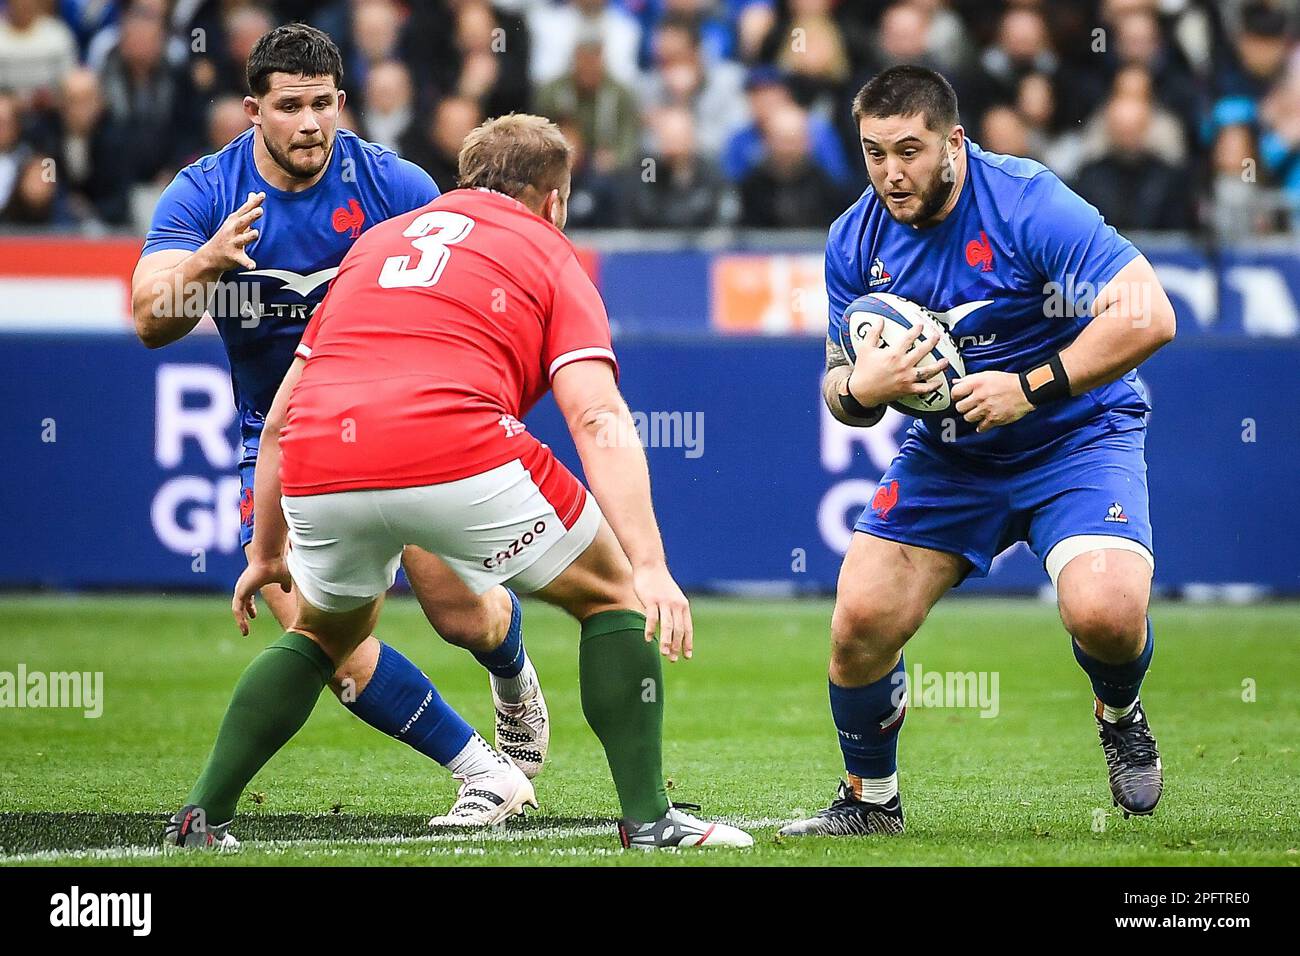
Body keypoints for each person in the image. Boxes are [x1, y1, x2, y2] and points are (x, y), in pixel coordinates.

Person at [198, 113, 753, 850]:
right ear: (555, 201)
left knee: (324, 634)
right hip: (451, 445)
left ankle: (201, 816)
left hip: (321, 457)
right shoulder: (549, 252)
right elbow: (596, 417)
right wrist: (649, 564)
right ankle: (649, 820)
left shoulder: (376, 244)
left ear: (464, 180)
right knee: (611, 595)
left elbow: (276, 423)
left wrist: (266, 555)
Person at [131, 25, 548, 844]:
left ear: (343, 104)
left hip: (398, 426)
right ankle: (485, 775)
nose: (310, 122)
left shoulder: (393, 184)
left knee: (461, 615)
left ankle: (512, 677)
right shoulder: (203, 195)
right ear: (254, 112)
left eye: (323, 103)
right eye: (290, 106)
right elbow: (151, 318)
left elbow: (477, 287)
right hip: (280, 442)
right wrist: (206, 264)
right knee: (322, 638)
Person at [782, 65, 1176, 837]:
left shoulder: (1026, 201)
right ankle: (871, 802)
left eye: (909, 150)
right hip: (953, 454)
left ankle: (1119, 708)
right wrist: (866, 386)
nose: (891, 174)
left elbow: (1150, 315)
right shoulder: (853, 240)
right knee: (857, 619)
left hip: (1074, 435)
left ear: (953, 143)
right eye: (873, 153)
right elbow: (835, 390)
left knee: (1106, 613)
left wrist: (1028, 388)